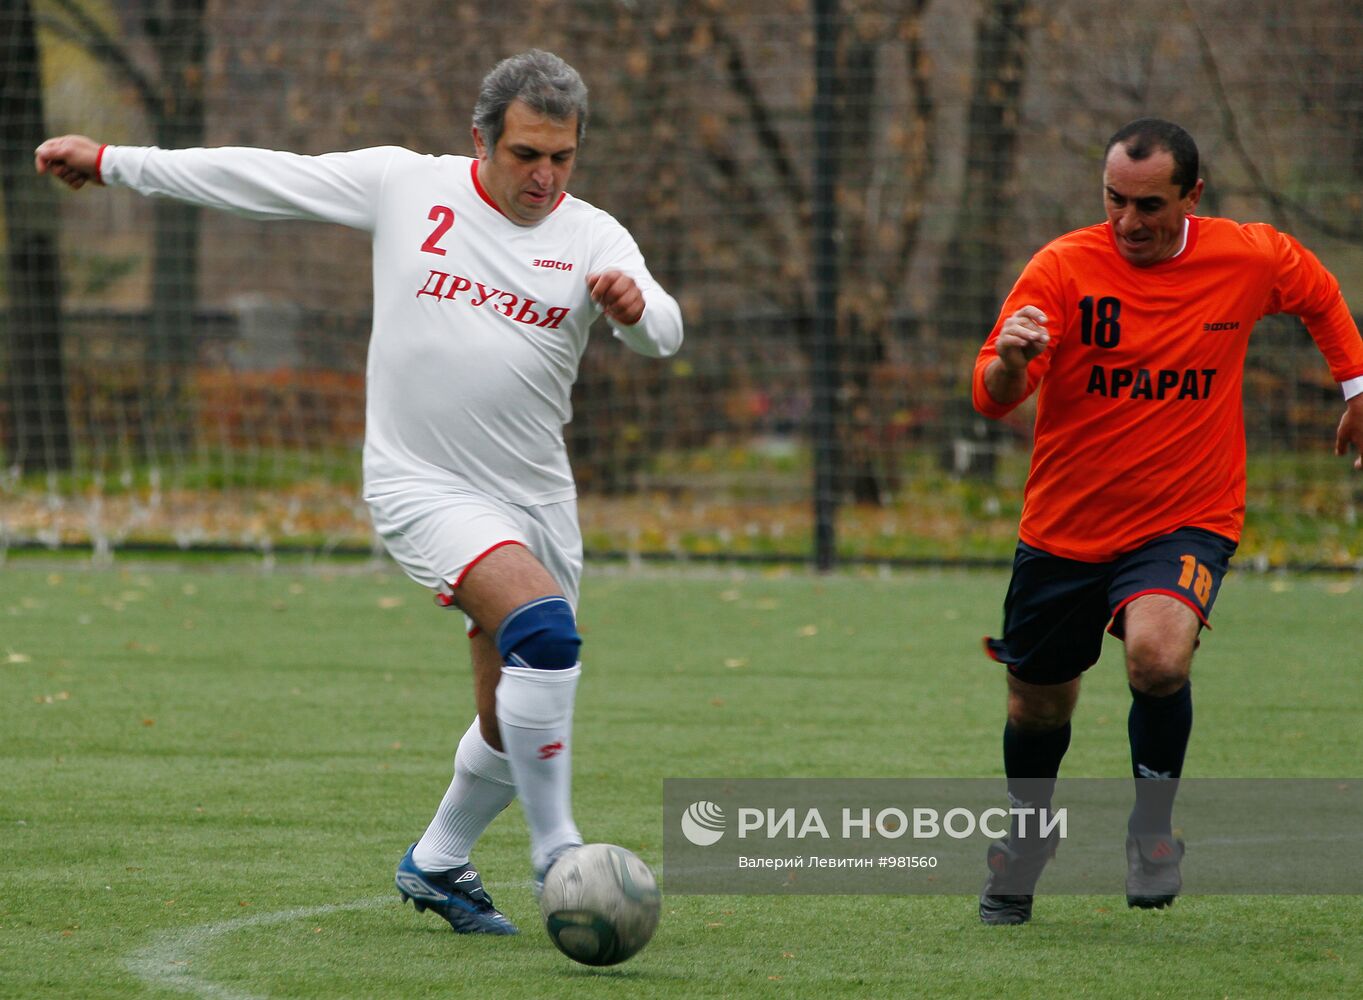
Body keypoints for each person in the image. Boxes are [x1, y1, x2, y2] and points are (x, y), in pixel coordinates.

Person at [37, 49, 683, 936]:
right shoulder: (407, 186)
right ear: (480, 140)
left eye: (561, 158)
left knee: (515, 704)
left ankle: (438, 861)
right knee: (544, 631)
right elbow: (263, 177)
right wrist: (115, 162)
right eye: (525, 153)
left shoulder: (593, 236)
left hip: (534, 497)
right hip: (420, 482)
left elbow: (666, 332)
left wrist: (633, 307)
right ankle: (556, 855)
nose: (543, 175)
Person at [970, 118, 1363, 925]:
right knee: (1035, 707)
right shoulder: (1061, 267)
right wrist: (1008, 359)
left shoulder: (1245, 256)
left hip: (1186, 518)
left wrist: (1356, 386)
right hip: (1064, 527)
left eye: (1148, 204)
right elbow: (992, 394)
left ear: (1193, 193)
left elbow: (1319, 293)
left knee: (1156, 657)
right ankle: (1026, 836)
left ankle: (1152, 831)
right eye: (1113, 200)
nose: (1128, 221)